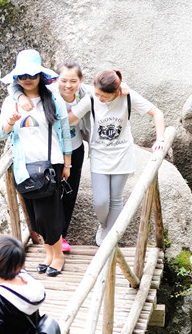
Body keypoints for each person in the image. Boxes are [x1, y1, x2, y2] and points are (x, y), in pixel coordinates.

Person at [0, 49, 72, 276]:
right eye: (22, 76)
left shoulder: (53, 98)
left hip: (51, 164)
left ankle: (58, 257)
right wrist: (10, 122)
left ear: (40, 75)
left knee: (49, 215)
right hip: (24, 166)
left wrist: (67, 164)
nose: (27, 79)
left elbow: (65, 132)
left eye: (32, 75)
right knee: (36, 216)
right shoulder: (11, 102)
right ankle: (49, 255)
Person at [68, 70, 166, 246]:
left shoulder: (127, 96)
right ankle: (104, 225)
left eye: (104, 96)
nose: (99, 98)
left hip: (122, 154)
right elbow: (70, 119)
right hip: (99, 154)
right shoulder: (91, 98)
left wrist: (160, 139)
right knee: (101, 201)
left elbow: (157, 113)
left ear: (116, 92)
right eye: (97, 93)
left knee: (116, 199)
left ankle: (109, 240)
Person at [11, 60, 92, 253]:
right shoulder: (49, 92)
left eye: (73, 81)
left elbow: (105, 87)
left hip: (75, 149)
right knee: (52, 195)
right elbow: (13, 86)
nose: (68, 85)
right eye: (64, 80)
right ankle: (54, 238)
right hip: (54, 153)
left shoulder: (84, 93)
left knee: (69, 193)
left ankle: (62, 235)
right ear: (56, 80)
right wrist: (20, 96)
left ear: (80, 80)